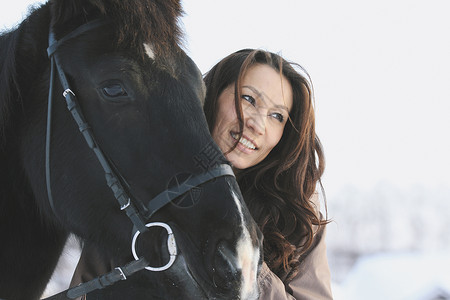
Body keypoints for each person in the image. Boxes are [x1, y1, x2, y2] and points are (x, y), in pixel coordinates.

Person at [70, 49, 333, 299]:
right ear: (211, 95)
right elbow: (85, 288)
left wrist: (246, 263)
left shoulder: (298, 220)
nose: (257, 123)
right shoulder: (143, 187)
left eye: (277, 116)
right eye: (249, 99)